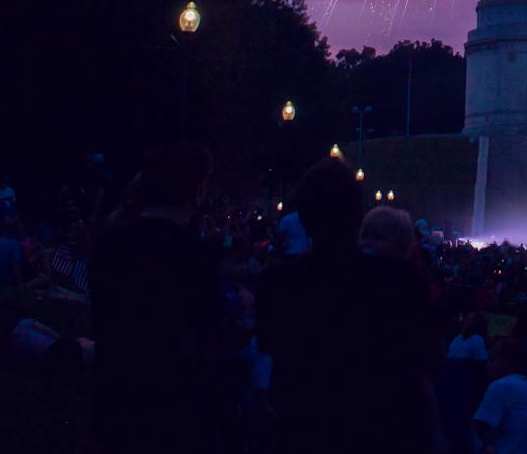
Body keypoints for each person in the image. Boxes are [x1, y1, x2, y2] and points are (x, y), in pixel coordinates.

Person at [256, 156, 438, 454]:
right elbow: (426, 358)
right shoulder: (401, 281)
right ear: (358, 214)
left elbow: (268, 344)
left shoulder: (275, 283)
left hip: (303, 433)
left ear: (303, 218)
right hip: (383, 434)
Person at [87, 142, 230, 451]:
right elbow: (208, 337)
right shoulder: (195, 257)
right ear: (197, 189)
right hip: (171, 415)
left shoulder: (108, 246)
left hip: (113, 404)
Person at [471, 337, 527, 454]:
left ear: (506, 362)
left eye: (492, 360)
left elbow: (479, 429)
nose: (487, 367)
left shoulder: (500, 386)